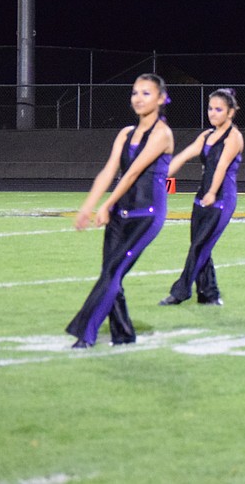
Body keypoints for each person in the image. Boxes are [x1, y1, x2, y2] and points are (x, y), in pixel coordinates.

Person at [67, 74, 174, 348]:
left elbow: (134, 172)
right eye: (135, 92)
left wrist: (106, 204)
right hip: (121, 214)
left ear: (161, 99)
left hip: (146, 215)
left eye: (146, 93)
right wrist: (88, 206)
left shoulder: (162, 133)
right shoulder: (125, 133)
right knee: (110, 273)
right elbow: (109, 171)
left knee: (113, 272)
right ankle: (123, 333)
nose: (138, 98)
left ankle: (85, 334)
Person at [158, 88, 244, 307]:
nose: (212, 113)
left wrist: (212, 193)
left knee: (199, 246)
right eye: (210, 108)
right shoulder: (206, 136)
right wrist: (157, 177)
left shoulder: (234, 137)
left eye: (218, 109)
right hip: (201, 198)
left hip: (221, 199)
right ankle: (209, 294)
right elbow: (183, 156)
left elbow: (222, 166)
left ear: (231, 112)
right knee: (200, 245)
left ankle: (180, 291)